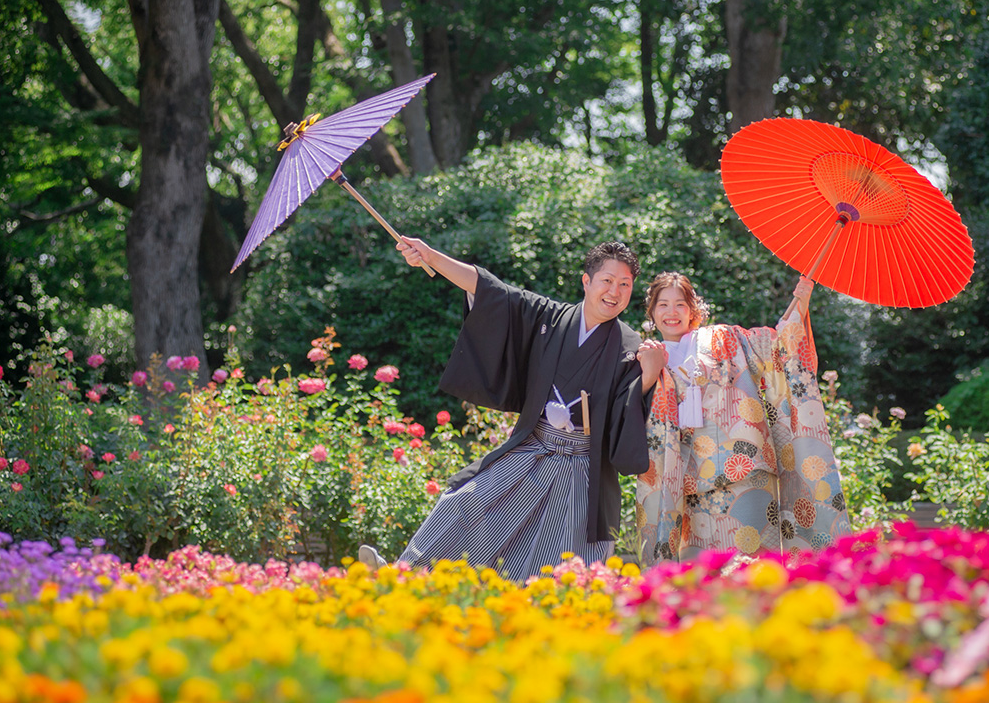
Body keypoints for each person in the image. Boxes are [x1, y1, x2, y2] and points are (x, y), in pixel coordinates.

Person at [358, 240, 665, 580]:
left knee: (559, 555)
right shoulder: (549, 318)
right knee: (464, 501)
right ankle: (406, 574)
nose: (615, 292)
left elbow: (627, 423)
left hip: (583, 468)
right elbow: (491, 290)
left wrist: (648, 375)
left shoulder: (631, 346)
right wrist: (431, 256)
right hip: (533, 447)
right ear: (586, 281)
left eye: (625, 284)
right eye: (607, 281)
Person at [635, 272, 851, 564]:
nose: (671, 313)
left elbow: (775, 345)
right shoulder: (649, 357)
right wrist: (650, 371)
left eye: (680, 305)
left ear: (693, 310)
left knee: (755, 566)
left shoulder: (723, 337)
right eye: (663, 305)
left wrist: (800, 300)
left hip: (746, 469)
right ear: (652, 312)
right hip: (689, 484)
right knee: (705, 572)